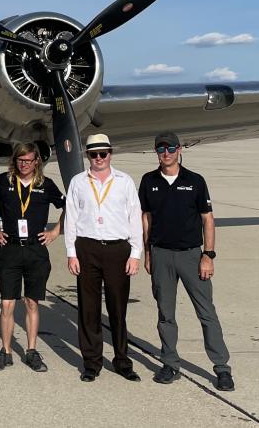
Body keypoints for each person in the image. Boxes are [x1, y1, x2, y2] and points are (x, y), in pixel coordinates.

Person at [141, 131, 234, 391]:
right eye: (161, 149)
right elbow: (146, 218)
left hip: (192, 256)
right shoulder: (149, 181)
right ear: (156, 152)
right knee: (165, 315)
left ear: (180, 149)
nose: (166, 153)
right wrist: (148, 253)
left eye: (171, 148)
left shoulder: (195, 181)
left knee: (206, 313)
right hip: (161, 254)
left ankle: (222, 367)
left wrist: (208, 255)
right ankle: (170, 363)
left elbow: (207, 219)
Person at [64, 133, 144, 382]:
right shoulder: (77, 181)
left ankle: (122, 360)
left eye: (103, 153)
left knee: (117, 309)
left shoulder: (125, 181)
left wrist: (135, 254)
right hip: (87, 248)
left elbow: (135, 218)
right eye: (93, 154)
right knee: (88, 309)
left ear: (110, 154)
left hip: (117, 249)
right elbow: (71, 219)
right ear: (87, 155)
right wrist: (71, 253)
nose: (99, 158)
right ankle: (92, 363)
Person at [0, 142, 64, 372]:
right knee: (7, 303)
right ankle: (5, 352)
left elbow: (67, 206)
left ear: (36, 161)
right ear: (15, 161)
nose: (24, 164)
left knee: (31, 302)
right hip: (10, 248)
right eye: (20, 160)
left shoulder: (45, 185)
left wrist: (56, 231)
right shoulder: (5, 182)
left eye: (28, 160)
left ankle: (31, 350)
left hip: (36, 249)